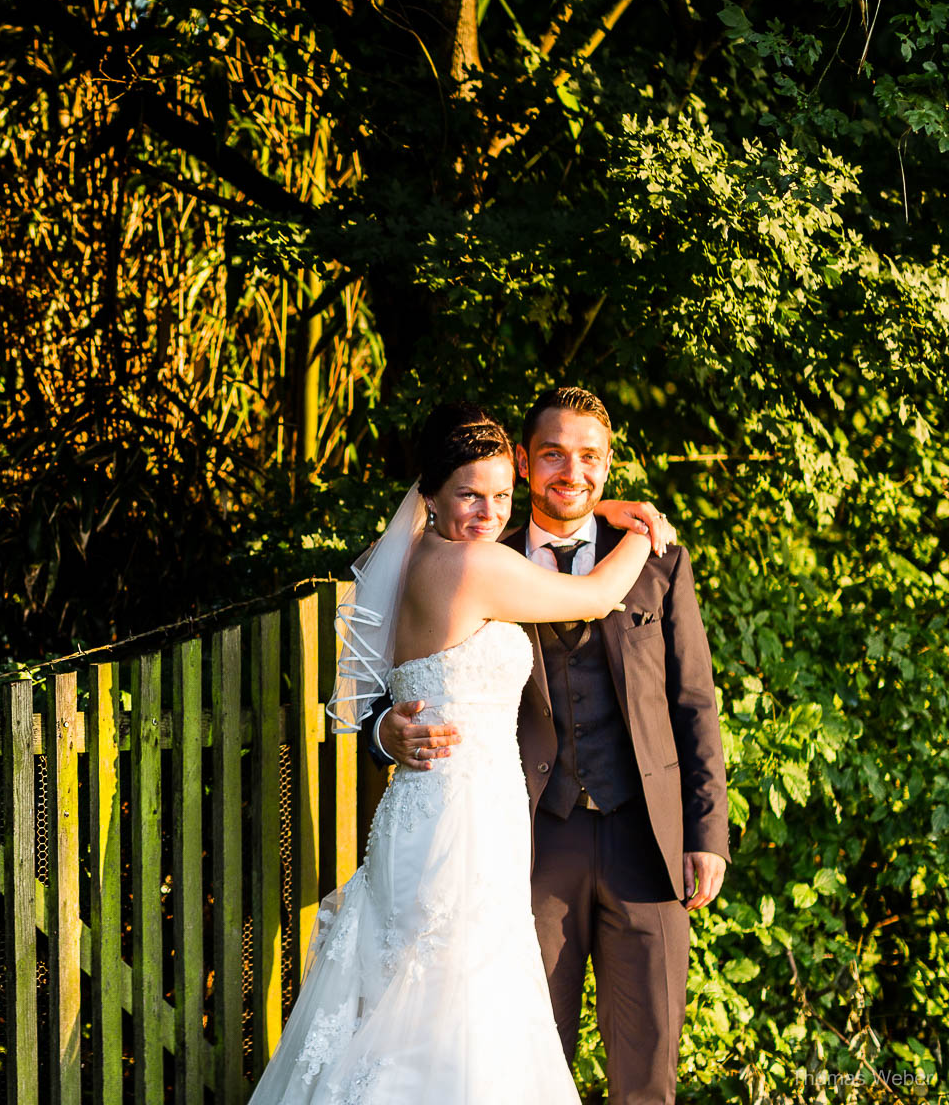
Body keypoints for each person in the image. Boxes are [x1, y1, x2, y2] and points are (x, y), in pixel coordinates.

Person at [246, 401, 674, 1105]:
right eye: (469, 495)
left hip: (435, 808)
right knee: (456, 1004)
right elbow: (595, 596)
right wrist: (646, 526)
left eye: (502, 496)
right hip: (461, 822)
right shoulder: (474, 565)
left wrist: (608, 508)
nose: (487, 512)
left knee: (412, 1001)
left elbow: (380, 692)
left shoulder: (420, 560)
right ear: (433, 496)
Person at [374, 387, 728, 1104]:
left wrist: (707, 833)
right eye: (554, 454)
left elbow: (694, 702)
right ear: (524, 463)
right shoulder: (475, 550)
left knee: (648, 1072)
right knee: (524, 1061)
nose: (573, 471)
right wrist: (384, 731)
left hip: (645, 841)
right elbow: (394, 672)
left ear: (609, 464)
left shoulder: (661, 562)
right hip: (530, 844)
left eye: (591, 457)